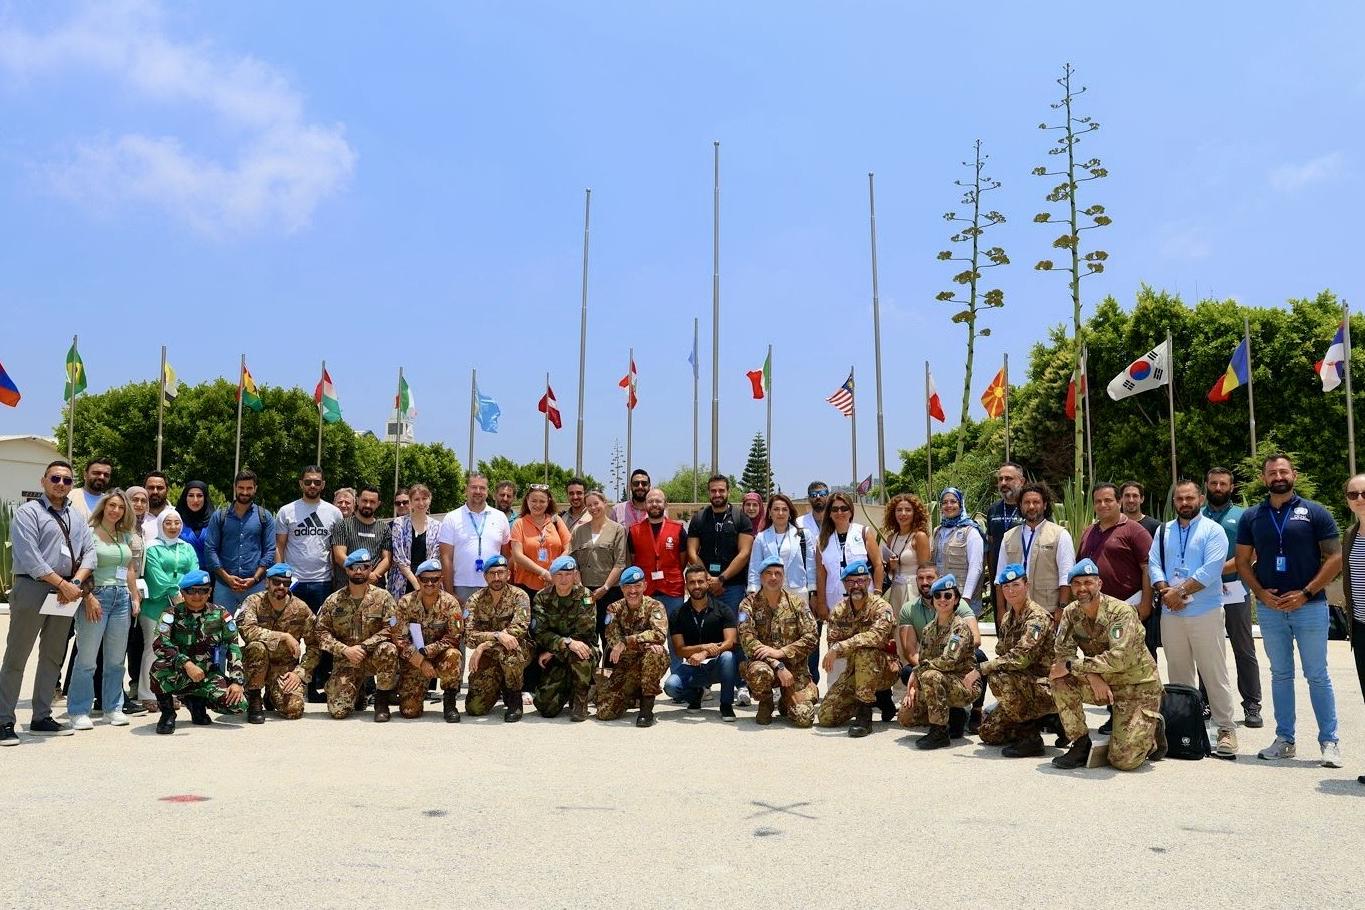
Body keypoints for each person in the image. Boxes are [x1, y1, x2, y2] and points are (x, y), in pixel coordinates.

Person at [1236, 454, 1342, 767]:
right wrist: (1259, 594)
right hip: (1270, 609)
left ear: (1293, 474)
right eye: (1272, 473)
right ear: (1264, 479)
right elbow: (1242, 561)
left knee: (1317, 675)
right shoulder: (1252, 516)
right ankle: (1285, 740)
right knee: (1281, 674)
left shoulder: (1315, 511)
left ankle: (1329, 742)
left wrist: (1307, 592)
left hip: (1310, 606)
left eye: (1283, 471)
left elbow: (1335, 557)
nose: (1278, 476)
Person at [1, 461, 97, 744]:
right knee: (17, 657)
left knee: (53, 656)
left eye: (67, 480)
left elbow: (90, 553)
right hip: (33, 588)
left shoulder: (76, 516)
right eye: (55, 478)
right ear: (43, 481)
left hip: (66, 593)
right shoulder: (28, 513)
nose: (61, 484)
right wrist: (63, 584)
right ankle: (4, 719)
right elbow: (30, 557)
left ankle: (41, 717)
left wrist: (74, 584)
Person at [1149, 479, 1238, 758]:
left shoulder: (1213, 530)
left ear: (1200, 499)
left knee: (1214, 672)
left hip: (1205, 612)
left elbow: (1211, 570)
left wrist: (1180, 592)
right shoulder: (1163, 530)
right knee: (1178, 673)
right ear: (1174, 502)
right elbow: (1154, 564)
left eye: (1190, 498)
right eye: (1179, 499)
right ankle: (1184, 728)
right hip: (1171, 613)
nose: (1185, 503)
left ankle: (1225, 729)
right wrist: (1165, 591)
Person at [1049, 559, 1166, 771]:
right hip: (1103, 681)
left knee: (1124, 761)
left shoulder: (1121, 612)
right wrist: (1092, 676)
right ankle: (1080, 743)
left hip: (1137, 686)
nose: (1082, 588)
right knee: (1059, 679)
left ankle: (1151, 730)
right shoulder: (1071, 612)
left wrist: (1075, 666)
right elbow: (1062, 653)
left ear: (1099, 584)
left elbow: (1119, 658)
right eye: (1076, 583)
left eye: (1088, 582)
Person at [68, 489, 142, 730]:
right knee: (87, 659)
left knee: (116, 660)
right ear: (103, 507)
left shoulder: (125, 534)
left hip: (121, 598)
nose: (116, 510)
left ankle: (113, 708)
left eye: (121, 507)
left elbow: (129, 568)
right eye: (112, 505)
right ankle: (79, 710)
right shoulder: (88, 533)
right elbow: (78, 567)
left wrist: (134, 596)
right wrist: (87, 597)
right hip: (96, 597)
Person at [150, 568, 248, 734]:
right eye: (191, 591)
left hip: (208, 675)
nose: (197, 596)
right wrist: (186, 663)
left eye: (202, 591)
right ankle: (167, 713)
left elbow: (233, 646)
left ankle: (196, 702)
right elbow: (160, 643)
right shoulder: (171, 614)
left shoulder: (221, 614)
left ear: (210, 592)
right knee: (158, 668)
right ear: (183, 593)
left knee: (238, 705)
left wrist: (236, 681)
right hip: (180, 672)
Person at [275, 465, 344, 702]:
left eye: (316, 482)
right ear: (301, 484)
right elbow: (280, 546)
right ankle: (283, 686)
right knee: (289, 636)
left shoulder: (334, 513)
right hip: (293, 583)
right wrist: (279, 578)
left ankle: (313, 684)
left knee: (318, 636)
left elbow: (336, 549)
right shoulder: (286, 511)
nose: (312, 485)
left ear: (323, 485)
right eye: (308, 482)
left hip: (322, 581)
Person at [1202, 467, 1263, 728]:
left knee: (1243, 648)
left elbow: (1251, 554)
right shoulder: (1197, 515)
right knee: (1205, 650)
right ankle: (1204, 702)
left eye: (1223, 484)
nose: (1218, 488)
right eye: (1213, 483)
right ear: (1206, 485)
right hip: (1202, 593)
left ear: (1231, 487)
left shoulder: (1243, 516)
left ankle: (1252, 704)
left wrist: (1210, 572)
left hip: (1234, 590)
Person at [975, 564, 1057, 757]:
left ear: (1026, 585)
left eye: (1015, 585)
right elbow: (1002, 654)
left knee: (997, 677)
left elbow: (1020, 658)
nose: (1010, 591)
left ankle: (1031, 738)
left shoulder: (1037, 618)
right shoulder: (1007, 619)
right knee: (988, 733)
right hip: (1021, 685)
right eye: (1006, 587)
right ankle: (1044, 720)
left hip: (1045, 686)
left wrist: (981, 668)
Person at [898, 574, 982, 749]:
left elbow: (948, 660)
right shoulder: (928, 629)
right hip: (940, 682)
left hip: (963, 684)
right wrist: (913, 688)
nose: (942, 600)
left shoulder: (959, 627)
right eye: (937, 595)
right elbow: (923, 659)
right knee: (905, 718)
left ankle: (939, 732)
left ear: (956, 599)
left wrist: (917, 672)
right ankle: (952, 716)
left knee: (930, 675)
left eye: (948, 595)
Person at [314, 549, 400, 721]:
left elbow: (392, 628)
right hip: (347, 659)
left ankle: (381, 702)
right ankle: (358, 691)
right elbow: (320, 632)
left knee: (388, 649)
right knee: (338, 711)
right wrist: (344, 650)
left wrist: (364, 646)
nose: (359, 571)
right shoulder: (333, 600)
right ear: (347, 570)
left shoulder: (383, 597)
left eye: (364, 567)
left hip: (373, 656)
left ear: (370, 569)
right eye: (354, 567)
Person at [816, 560, 897, 736]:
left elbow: (876, 637)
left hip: (883, 669)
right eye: (851, 581)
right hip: (852, 669)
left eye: (860, 581)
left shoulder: (882, 607)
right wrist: (838, 650)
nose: (856, 586)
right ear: (845, 584)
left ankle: (865, 715)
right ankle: (875, 698)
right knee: (826, 717)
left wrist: (842, 646)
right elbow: (832, 644)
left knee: (865, 650)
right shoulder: (839, 610)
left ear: (868, 582)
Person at [737, 556, 818, 727]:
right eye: (768, 573)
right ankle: (766, 701)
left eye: (778, 573)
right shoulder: (747, 605)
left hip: (794, 669)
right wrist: (777, 664)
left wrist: (782, 652)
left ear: (783, 577)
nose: (773, 577)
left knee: (804, 718)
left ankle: (785, 702)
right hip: (764, 665)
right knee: (759, 671)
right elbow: (747, 640)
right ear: (761, 577)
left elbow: (812, 637)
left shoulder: (797, 603)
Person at [238, 563, 318, 723]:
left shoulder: (301, 608)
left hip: (284, 668)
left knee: (294, 709)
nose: (281, 586)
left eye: (286, 583)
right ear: (267, 582)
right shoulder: (253, 602)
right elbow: (247, 630)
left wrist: (299, 673)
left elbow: (314, 646)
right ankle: (254, 697)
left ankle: (271, 695)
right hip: (256, 664)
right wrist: (283, 636)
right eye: (276, 582)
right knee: (256, 646)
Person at [138, 510, 199, 712]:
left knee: (177, 650)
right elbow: (156, 576)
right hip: (156, 606)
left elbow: (194, 572)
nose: (173, 527)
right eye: (168, 523)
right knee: (153, 648)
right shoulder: (152, 547)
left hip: (182, 605)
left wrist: (186, 592)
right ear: (160, 525)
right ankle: (148, 694)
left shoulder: (187, 547)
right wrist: (177, 590)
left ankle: (171, 692)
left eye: (177, 523)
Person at [663, 565, 741, 720]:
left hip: (717, 665)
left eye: (700, 581)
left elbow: (731, 642)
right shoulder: (677, 614)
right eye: (692, 582)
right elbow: (679, 650)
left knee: (728, 657)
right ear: (686, 585)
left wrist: (705, 652)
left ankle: (726, 705)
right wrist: (702, 648)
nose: (697, 586)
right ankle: (695, 695)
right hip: (693, 665)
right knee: (671, 687)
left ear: (707, 583)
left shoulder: (723, 610)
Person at [595, 566, 670, 727]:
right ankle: (633, 695)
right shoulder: (613, 609)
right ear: (622, 588)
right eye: (628, 586)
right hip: (625, 666)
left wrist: (627, 641)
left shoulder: (655, 606)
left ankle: (646, 709)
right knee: (604, 713)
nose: (633, 591)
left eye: (637, 585)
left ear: (645, 586)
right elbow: (612, 638)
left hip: (647, 661)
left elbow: (659, 634)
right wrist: (645, 643)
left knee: (655, 653)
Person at [393, 558, 464, 723]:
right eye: (425, 579)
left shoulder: (450, 603)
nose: (430, 583)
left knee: (454, 655)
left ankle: (450, 702)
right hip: (414, 659)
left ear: (441, 580)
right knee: (409, 712)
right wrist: (421, 661)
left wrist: (428, 651)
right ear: (418, 579)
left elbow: (454, 636)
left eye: (435, 579)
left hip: (441, 655)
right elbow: (398, 637)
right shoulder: (405, 603)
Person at [463, 555, 530, 721]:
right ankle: (498, 686)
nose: (497, 577)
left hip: (517, 651)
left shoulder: (519, 596)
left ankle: (514, 699)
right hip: (489, 655)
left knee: (510, 652)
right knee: (474, 708)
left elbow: (519, 629)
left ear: (508, 574)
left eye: (501, 572)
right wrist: (497, 636)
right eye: (492, 573)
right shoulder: (474, 600)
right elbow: (468, 636)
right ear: (485, 576)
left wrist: (483, 645)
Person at [531, 556, 598, 720]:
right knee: (546, 708)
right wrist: (565, 643)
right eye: (559, 575)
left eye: (568, 574)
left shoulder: (586, 596)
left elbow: (585, 632)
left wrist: (560, 647)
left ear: (575, 575)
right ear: (552, 577)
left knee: (579, 652)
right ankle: (569, 687)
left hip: (583, 650)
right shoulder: (542, 597)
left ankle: (580, 700)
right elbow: (540, 632)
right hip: (556, 653)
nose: (564, 579)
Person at [569, 490, 628, 662]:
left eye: (596, 503)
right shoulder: (579, 531)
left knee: (610, 636)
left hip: (610, 592)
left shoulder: (617, 530)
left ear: (605, 503)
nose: (593, 508)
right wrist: (581, 588)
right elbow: (574, 562)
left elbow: (620, 562)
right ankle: (589, 674)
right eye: (589, 505)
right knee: (587, 635)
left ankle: (609, 674)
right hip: (586, 593)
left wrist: (605, 587)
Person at [999, 481, 1075, 614]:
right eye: (1026, 502)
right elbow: (999, 578)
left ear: (1044, 505)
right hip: (1015, 611)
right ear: (1020, 506)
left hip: (1048, 611)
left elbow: (1066, 577)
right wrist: (1001, 610)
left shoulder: (1060, 535)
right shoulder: (1008, 537)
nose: (1031, 506)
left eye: (1036, 502)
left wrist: (1062, 608)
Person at [204, 470, 274, 613]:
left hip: (255, 586)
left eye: (249, 488)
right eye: (241, 488)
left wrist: (255, 578)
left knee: (255, 626)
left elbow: (270, 550)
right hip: (224, 587)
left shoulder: (264, 516)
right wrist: (226, 577)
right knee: (222, 625)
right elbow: (210, 549)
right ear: (235, 487)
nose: (245, 492)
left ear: (255, 489)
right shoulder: (220, 516)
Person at [439, 473, 513, 604]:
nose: (478, 491)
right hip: (461, 586)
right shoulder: (451, 518)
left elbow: (507, 556)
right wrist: (450, 593)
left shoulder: (500, 517)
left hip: (494, 585)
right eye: (474, 487)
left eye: (482, 488)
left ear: (487, 491)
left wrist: (505, 585)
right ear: (466, 489)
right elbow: (446, 558)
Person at [686, 474, 755, 614]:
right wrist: (709, 579)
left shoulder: (741, 518)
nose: (717, 494)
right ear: (709, 493)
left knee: (732, 625)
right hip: (705, 586)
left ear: (728, 492)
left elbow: (744, 553)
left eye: (721, 490)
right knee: (705, 625)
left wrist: (721, 579)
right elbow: (692, 552)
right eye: (713, 491)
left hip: (733, 587)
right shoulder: (699, 518)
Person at [628, 487, 688, 616]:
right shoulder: (634, 531)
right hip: (646, 589)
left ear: (665, 504)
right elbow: (633, 560)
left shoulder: (678, 529)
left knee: (674, 626)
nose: (654, 504)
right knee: (646, 627)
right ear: (645, 505)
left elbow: (683, 559)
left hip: (672, 590)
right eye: (650, 501)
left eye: (658, 501)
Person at [746, 493, 816, 601]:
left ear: (790, 513)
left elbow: (811, 567)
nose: (780, 513)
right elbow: (754, 568)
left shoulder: (803, 535)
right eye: (776, 509)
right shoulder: (761, 537)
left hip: (798, 593)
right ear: (770, 512)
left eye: (784, 509)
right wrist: (753, 591)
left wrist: (813, 592)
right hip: (770, 593)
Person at [509, 484, 573, 594]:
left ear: (548, 502)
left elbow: (568, 548)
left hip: (554, 584)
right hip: (525, 586)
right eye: (534, 501)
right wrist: (543, 573)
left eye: (542, 501)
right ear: (527, 500)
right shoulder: (519, 523)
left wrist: (554, 570)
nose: (538, 505)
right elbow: (517, 555)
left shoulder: (556, 521)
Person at [933, 487, 985, 615]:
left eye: (953, 501)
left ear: (960, 505)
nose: (949, 505)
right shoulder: (938, 531)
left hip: (963, 598)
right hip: (942, 597)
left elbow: (976, 566)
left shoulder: (970, 531)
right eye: (945, 502)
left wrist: (965, 598)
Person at [330, 485, 393, 590]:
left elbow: (387, 559)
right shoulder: (343, 525)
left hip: (374, 587)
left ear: (378, 504)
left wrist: (373, 575)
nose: (368, 505)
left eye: (372, 502)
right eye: (364, 500)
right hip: (346, 586)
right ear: (357, 500)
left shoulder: (384, 528)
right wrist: (361, 573)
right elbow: (339, 556)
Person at [800, 480, 831, 687]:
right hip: (810, 587)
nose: (818, 497)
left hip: (835, 586)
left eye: (821, 493)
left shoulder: (837, 519)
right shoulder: (799, 523)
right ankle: (811, 682)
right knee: (811, 635)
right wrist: (813, 592)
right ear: (809, 498)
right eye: (813, 494)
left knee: (837, 636)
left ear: (828, 495)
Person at [880, 493, 931, 612]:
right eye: (899, 510)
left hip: (914, 591)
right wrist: (891, 566)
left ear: (915, 513)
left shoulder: (919, 536)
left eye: (908, 510)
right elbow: (889, 571)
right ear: (893, 513)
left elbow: (926, 569)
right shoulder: (891, 538)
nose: (903, 514)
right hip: (895, 590)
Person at [986, 462, 1026, 610]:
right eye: (1000, 479)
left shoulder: (1030, 508)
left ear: (1021, 481)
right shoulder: (993, 510)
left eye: (1008, 479)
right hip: (1000, 582)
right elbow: (990, 546)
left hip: (1023, 580)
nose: (1003, 483)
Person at [388, 482, 437, 599]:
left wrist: (424, 584)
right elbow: (399, 558)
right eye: (417, 499)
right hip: (402, 583)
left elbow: (435, 557)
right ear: (410, 502)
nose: (421, 503)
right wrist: (417, 585)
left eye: (424, 499)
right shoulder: (399, 524)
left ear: (430, 500)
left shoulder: (437, 526)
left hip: (427, 583)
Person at [175, 481, 214, 569]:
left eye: (199, 496)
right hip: (184, 573)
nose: (195, 500)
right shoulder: (176, 520)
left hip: (213, 573)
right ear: (185, 498)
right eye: (191, 495)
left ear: (205, 498)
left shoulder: (215, 521)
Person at [69, 456, 113, 521]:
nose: (101, 477)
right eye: (97, 473)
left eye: (106, 475)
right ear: (85, 475)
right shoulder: (70, 497)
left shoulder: (110, 502)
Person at [141, 471, 172, 542]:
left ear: (167, 490)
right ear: (144, 489)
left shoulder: (177, 514)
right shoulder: (135, 516)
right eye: (151, 488)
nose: (155, 492)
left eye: (160, 488)